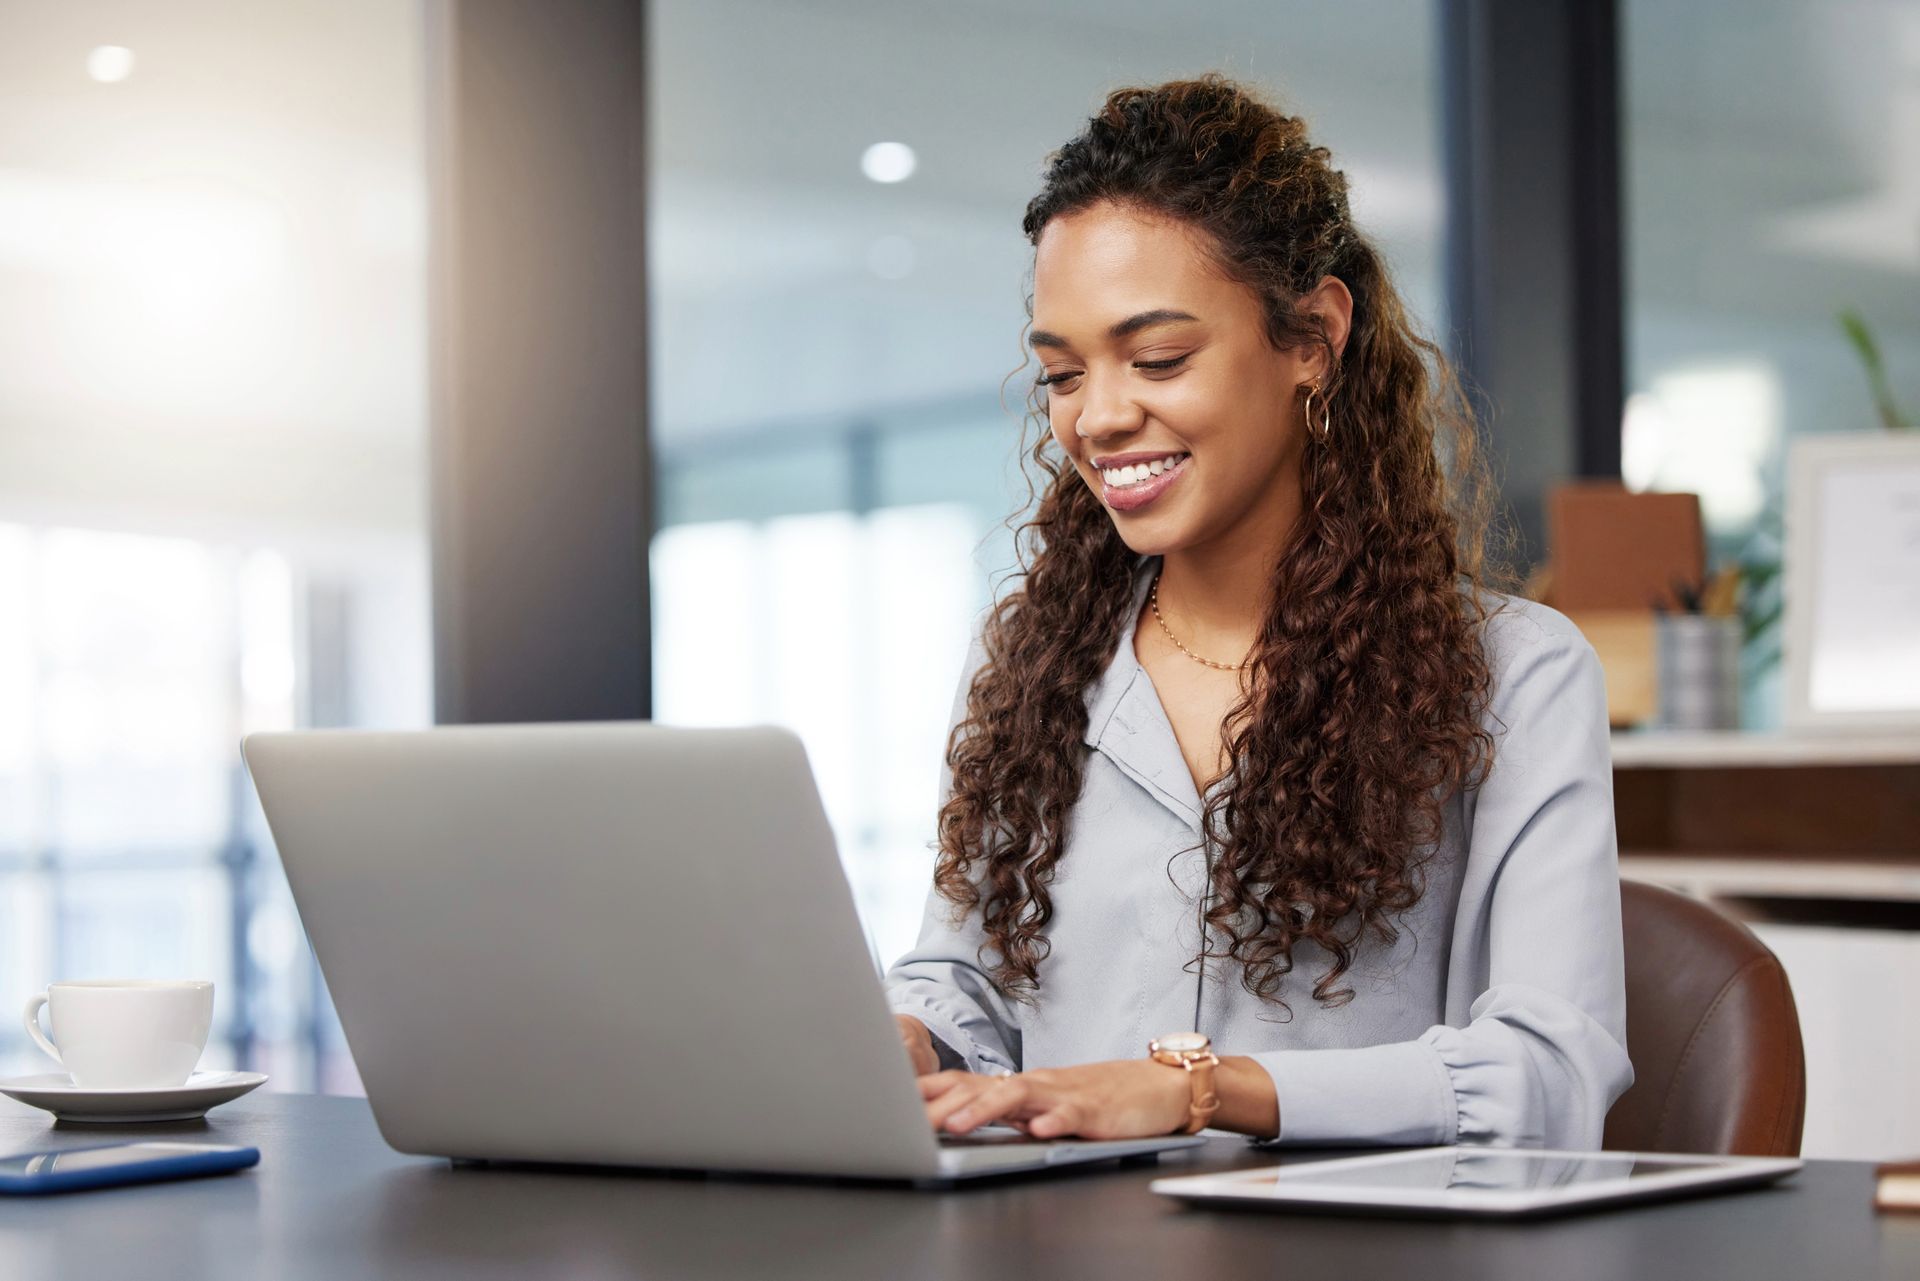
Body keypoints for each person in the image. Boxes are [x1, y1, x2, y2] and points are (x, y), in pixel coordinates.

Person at [883, 76, 1632, 1148]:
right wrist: (914, 1037)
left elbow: (1550, 1074)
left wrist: (1205, 1090)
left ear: (1314, 338)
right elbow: (967, 987)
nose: (1098, 417)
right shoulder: (1035, 658)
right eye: (1061, 374)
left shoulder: (1514, 672)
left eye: (1158, 359)